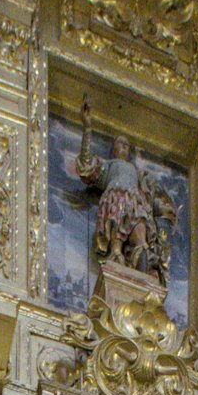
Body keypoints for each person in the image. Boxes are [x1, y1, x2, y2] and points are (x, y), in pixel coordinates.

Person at [76, 97, 177, 285]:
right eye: (120, 144)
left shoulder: (137, 174)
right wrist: (87, 128)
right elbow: (87, 166)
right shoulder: (109, 165)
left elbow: (151, 196)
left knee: (141, 233)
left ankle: (143, 263)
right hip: (117, 197)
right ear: (114, 149)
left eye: (126, 145)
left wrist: (165, 210)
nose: (124, 147)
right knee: (117, 224)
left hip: (136, 203)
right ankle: (116, 253)